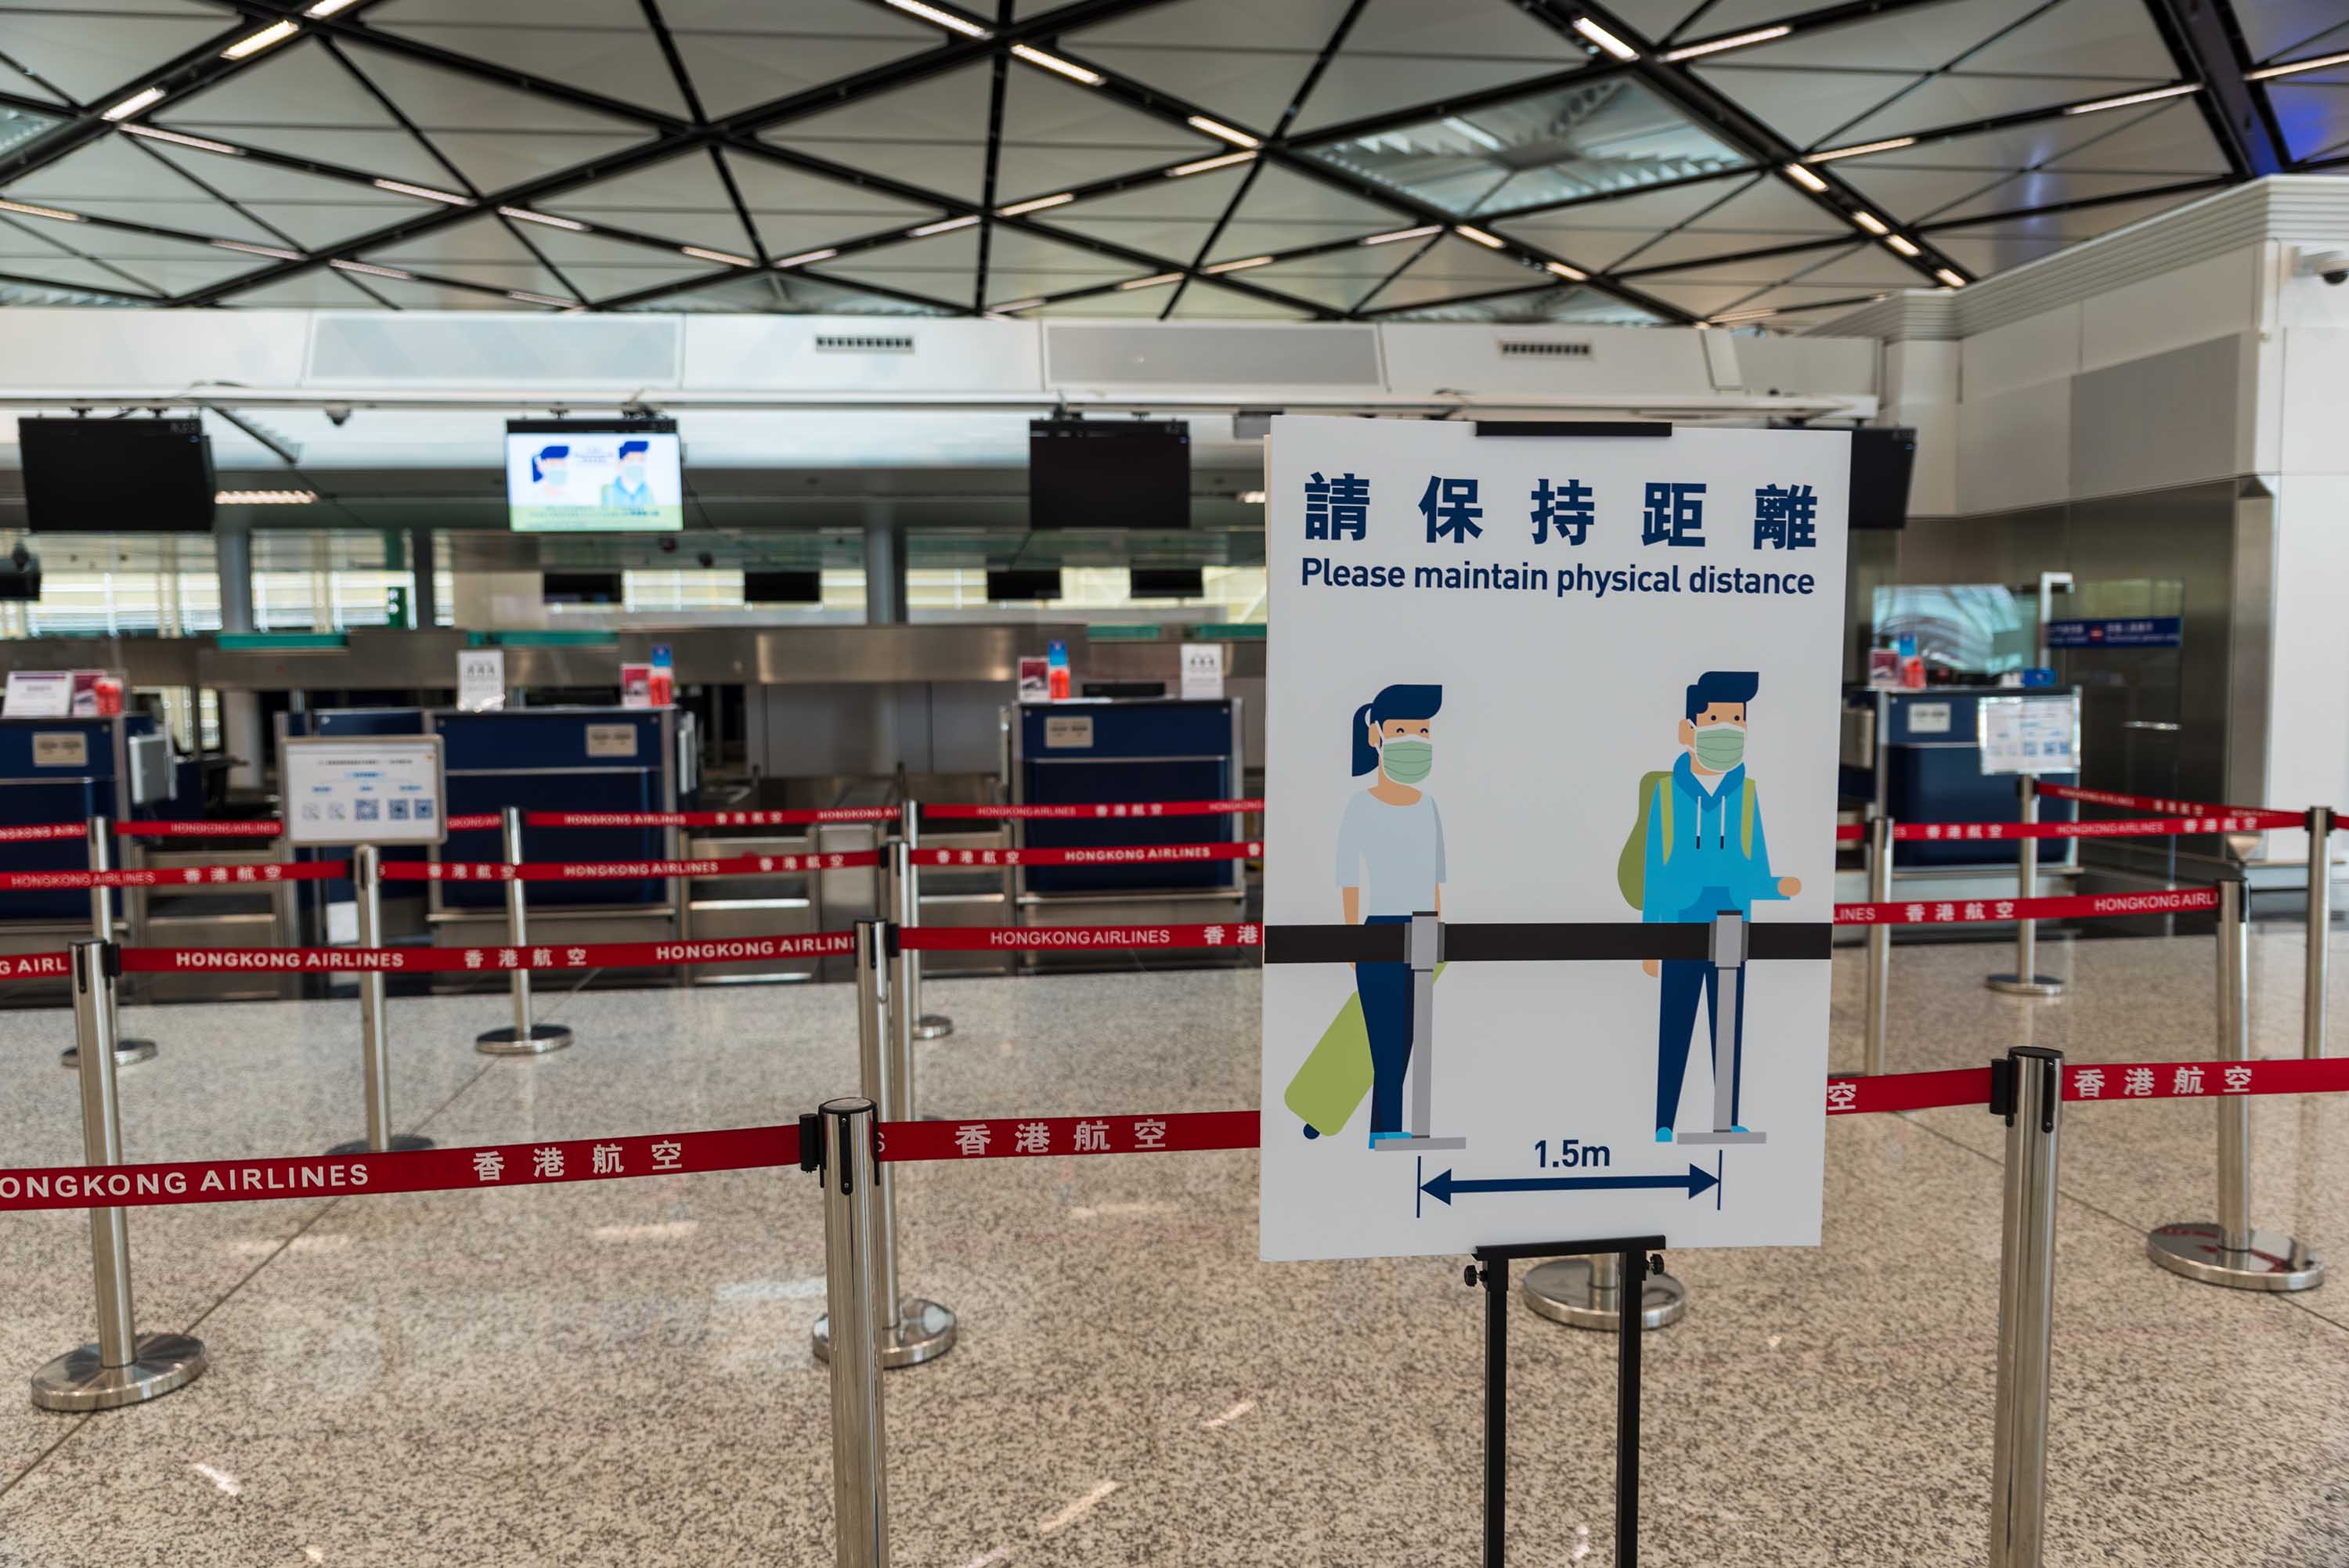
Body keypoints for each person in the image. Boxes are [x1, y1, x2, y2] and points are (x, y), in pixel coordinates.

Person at [1636, 671, 1799, 1142]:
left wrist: (1776, 887)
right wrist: (1651, 939)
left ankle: (1725, 1117)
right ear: (1689, 731)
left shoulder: (1746, 795)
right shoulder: (1667, 795)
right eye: (1715, 719)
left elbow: (1756, 865)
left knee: (1727, 1027)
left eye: (1737, 719)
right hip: (1680, 926)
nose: (1727, 729)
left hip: (1734, 925)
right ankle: (1664, 1120)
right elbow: (1654, 869)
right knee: (1676, 1024)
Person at [1335, 683, 1445, 1148]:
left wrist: (1440, 932)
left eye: (1422, 730)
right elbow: (1349, 878)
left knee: (1408, 1042)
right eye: (1402, 730)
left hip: (1423, 929)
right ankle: (1387, 1130)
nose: (1414, 740)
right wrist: (1350, 943)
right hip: (1379, 932)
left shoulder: (1429, 806)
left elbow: (1438, 877)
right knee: (1385, 1043)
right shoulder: (1361, 806)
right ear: (1376, 737)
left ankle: (1384, 1131)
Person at [601, 439, 653, 508]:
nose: (636, 464)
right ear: (619, 464)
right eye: (631, 460)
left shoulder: (647, 491)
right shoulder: (609, 492)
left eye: (641, 460)